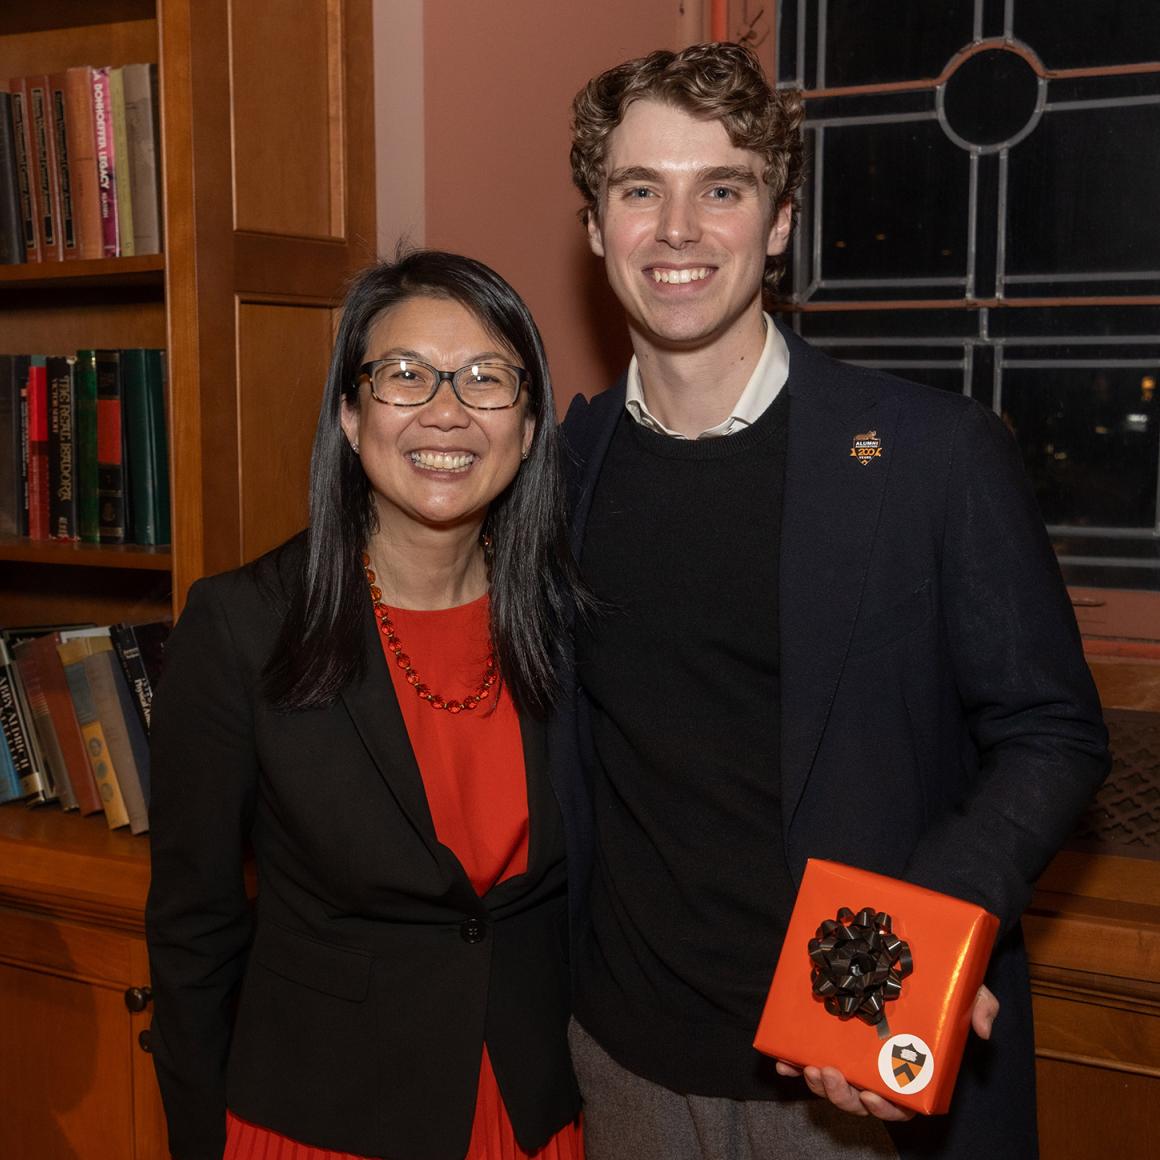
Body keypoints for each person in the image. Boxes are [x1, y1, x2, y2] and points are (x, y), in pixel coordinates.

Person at [552, 42, 1109, 1160]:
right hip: (619, 1059)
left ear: (779, 223)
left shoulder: (930, 452)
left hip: (846, 1069)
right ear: (595, 225)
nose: (677, 229)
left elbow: (1051, 731)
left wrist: (924, 940)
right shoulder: (565, 465)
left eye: (721, 189)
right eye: (639, 190)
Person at [145, 251, 587, 1160]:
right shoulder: (241, 625)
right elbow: (193, 930)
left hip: (532, 1111)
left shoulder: (569, 618)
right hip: (324, 1120)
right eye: (405, 375)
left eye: (486, 378)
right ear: (351, 415)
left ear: (529, 422)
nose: (446, 411)